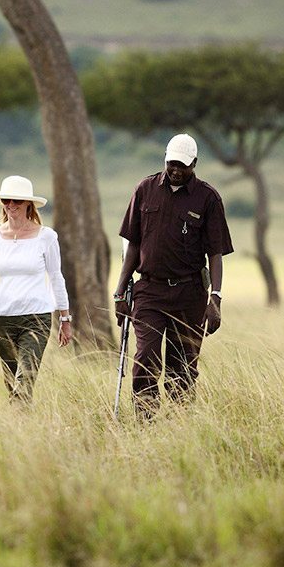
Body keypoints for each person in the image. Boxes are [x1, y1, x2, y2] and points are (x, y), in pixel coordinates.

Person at [113, 133, 233, 418]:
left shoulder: (208, 198)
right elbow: (133, 244)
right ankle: (146, 421)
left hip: (189, 294)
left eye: (183, 165)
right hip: (149, 292)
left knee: (183, 365)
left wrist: (215, 299)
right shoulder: (145, 189)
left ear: (194, 164)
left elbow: (215, 254)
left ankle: (180, 423)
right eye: (172, 164)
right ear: (165, 160)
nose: (176, 170)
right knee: (145, 358)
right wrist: (119, 292)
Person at [0, 175, 72, 403]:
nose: (11, 205)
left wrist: (65, 318)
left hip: (36, 318)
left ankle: (20, 418)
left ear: (28, 204)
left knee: (25, 379)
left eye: (16, 201)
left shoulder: (46, 237)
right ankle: (20, 429)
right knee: (11, 381)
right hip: (3, 319)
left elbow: (56, 277)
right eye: (7, 200)